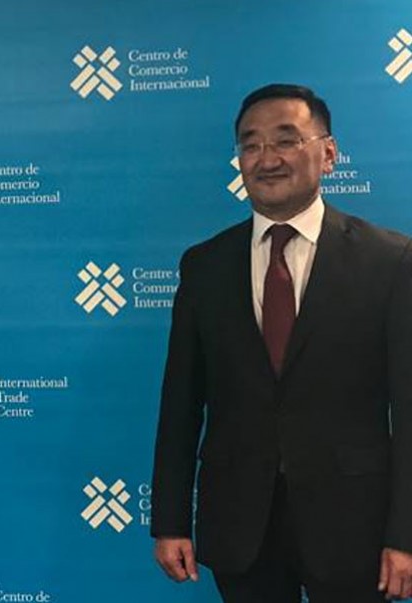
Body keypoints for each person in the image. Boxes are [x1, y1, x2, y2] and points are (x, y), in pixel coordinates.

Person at [150, 84, 412, 602]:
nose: (266, 158)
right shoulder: (204, 266)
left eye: (286, 140)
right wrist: (170, 521)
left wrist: (405, 533)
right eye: (251, 145)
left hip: (353, 525)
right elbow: (180, 403)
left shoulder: (390, 261)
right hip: (239, 525)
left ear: (329, 154)